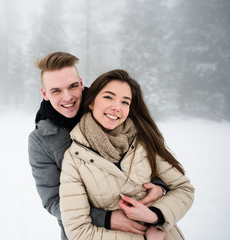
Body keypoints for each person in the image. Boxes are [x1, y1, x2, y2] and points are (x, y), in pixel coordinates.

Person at [28, 52, 168, 239]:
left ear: (81, 82)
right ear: (44, 93)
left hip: (143, 221)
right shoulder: (41, 140)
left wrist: (159, 186)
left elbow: (145, 156)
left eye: (73, 86)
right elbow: (53, 200)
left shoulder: (108, 108)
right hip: (88, 231)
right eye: (56, 91)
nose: (68, 97)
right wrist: (107, 218)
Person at [59, 69, 195, 240]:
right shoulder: (74, 158)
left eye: (125, 102)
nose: (117, 107)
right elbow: (78, 231)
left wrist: (156, 217)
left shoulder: (143, 140)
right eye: (108, 97)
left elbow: (184, 189)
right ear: (91, 102)